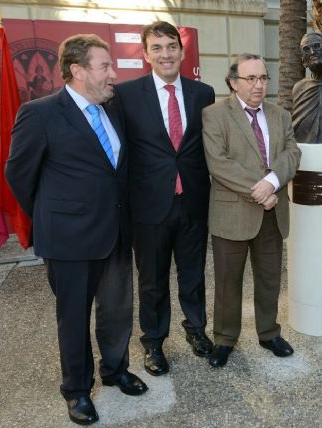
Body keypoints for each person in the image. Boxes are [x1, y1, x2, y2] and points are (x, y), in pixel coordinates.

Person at [5, 34, 147, 426]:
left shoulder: (112, 108)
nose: (113, 74)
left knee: (118, 310)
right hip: (69, 238)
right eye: (105, 67)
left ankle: (115, 369)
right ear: (78, 71)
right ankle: (77, 390)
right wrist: (53, 214)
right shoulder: (40, 113)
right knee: (73, 316)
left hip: (116, 231)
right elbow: (18, 175)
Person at [113, 21, 215, 376]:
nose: (165, 54)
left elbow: (206, 149)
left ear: (182, 51)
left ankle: (197, 331)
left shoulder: (203, 94)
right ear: (145, 54)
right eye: (156, 48)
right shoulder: (125, 96)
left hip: (193, 201)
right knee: (152, 280)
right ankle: (153, 343)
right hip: (149, 206)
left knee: (193, 275)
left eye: (171, 46)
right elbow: (121, 154)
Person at [202, 53, 301, 368]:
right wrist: (259, 191)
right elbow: (219, 163)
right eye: (251, 78)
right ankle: (225, 339)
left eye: (263, 78)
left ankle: (269, 333)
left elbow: (291, 152)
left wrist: (272, 182)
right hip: (232, 213)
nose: (259, 85)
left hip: (272, 212)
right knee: (228, 282)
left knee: (270, 278)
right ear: (233, 82)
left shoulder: (280, 115)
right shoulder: (214, 115)